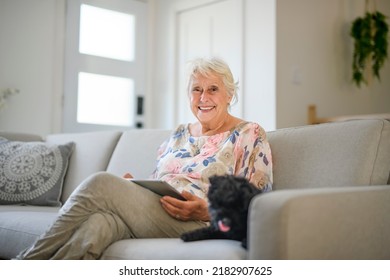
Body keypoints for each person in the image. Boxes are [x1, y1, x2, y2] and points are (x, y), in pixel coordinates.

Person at [17, 57, 273, 259]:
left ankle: (25, 262)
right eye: (196, 90)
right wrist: (134, 187)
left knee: (101, 184)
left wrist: (207, 211)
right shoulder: (178, 134)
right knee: (98, 226)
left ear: (229, 94)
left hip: (196, 221)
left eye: (213, 89)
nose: (203, 98)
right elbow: (159, 179)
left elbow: (259, 202)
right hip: (156, 208)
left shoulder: (249, 134)